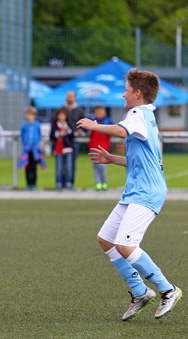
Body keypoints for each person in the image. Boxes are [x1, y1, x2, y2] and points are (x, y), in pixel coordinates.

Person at [77, 68, 182, 321]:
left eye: (125, 90)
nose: (122, 94)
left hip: (146, 193)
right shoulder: (146, 117)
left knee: (125, 245)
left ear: (137, 93)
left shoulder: (137, 113)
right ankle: (140, 292)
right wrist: (112, 158)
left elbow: (121, 131)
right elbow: (145, 161)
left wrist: (95, 125)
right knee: (106, 239)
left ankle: (168, 289)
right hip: (137, 191)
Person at [18, 106, 46, 190]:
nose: (29, 116)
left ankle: (33, 183)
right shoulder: (24, 125)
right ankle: (28, 183)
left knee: (34, 167)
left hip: (35, 149)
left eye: (31, 115)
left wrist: (37, 145)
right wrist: (25, 144)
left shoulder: (37, 125)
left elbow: (39, 135)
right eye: (28, 115)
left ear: (34, 115)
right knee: (27, 167)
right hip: (27, 149)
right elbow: (22, 135)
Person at [88, 105, 114, 191]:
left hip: (104, 148)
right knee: (96, 166)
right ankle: (98, 183)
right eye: (97, 112)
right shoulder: (92, 122)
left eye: (100, 112)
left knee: (102, 166)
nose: (99, 114)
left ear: (104, 113)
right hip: (94, 147)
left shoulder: (108, 121)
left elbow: (114, 130)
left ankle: (104, 183)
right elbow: (87, 130)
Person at [64, 90, 85, 187]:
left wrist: (81, 130)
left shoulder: (79, 110)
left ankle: (70, 182)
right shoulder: (62, 110)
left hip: (74, 140)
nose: (69, 98)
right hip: (63, 140)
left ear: (75, 98)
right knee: (62, 163)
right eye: (68, 96)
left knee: (72, 163)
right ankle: (61, 182)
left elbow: (84, 124)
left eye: (71, 96)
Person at [50, 107, 75, 190]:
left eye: (63, 115)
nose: (61, 117)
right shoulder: (55, 125)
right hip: (58, 149)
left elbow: (72, 136)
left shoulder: (68, 124)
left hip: (67, 148)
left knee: (68, 167)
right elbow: (52, 136)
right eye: (60, 115)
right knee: (59, 167)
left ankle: (68, 183)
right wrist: (58, 134)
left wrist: (67, 130)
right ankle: (59, 183)